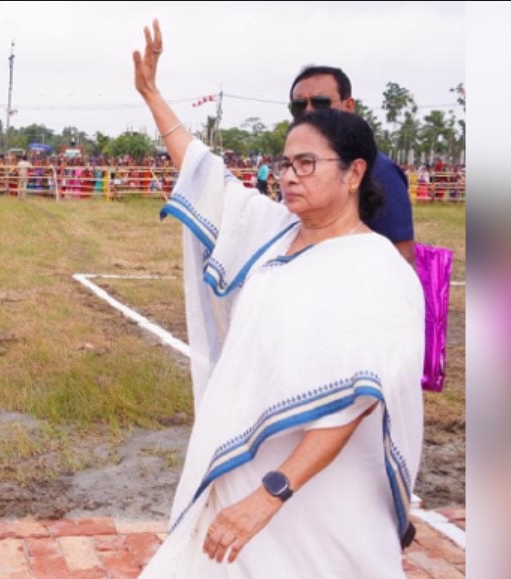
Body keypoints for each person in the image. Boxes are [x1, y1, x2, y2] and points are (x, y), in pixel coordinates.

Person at [132, 20, 424, 578]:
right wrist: (152, 96)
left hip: (320, 501)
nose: (289, 176)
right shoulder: (274, 233)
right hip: (241, 471)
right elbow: (204, 174)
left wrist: (270, 495)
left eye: (307, 164)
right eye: (286, 163)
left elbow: (360, 395)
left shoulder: (377, 267)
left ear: (354, 173)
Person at [288, 65, 415, 266]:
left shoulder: (380, 171)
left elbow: (402, 256)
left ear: (348, 105)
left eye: (321, 103)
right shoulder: (292, 170)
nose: (308, 111)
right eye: (299, 105)